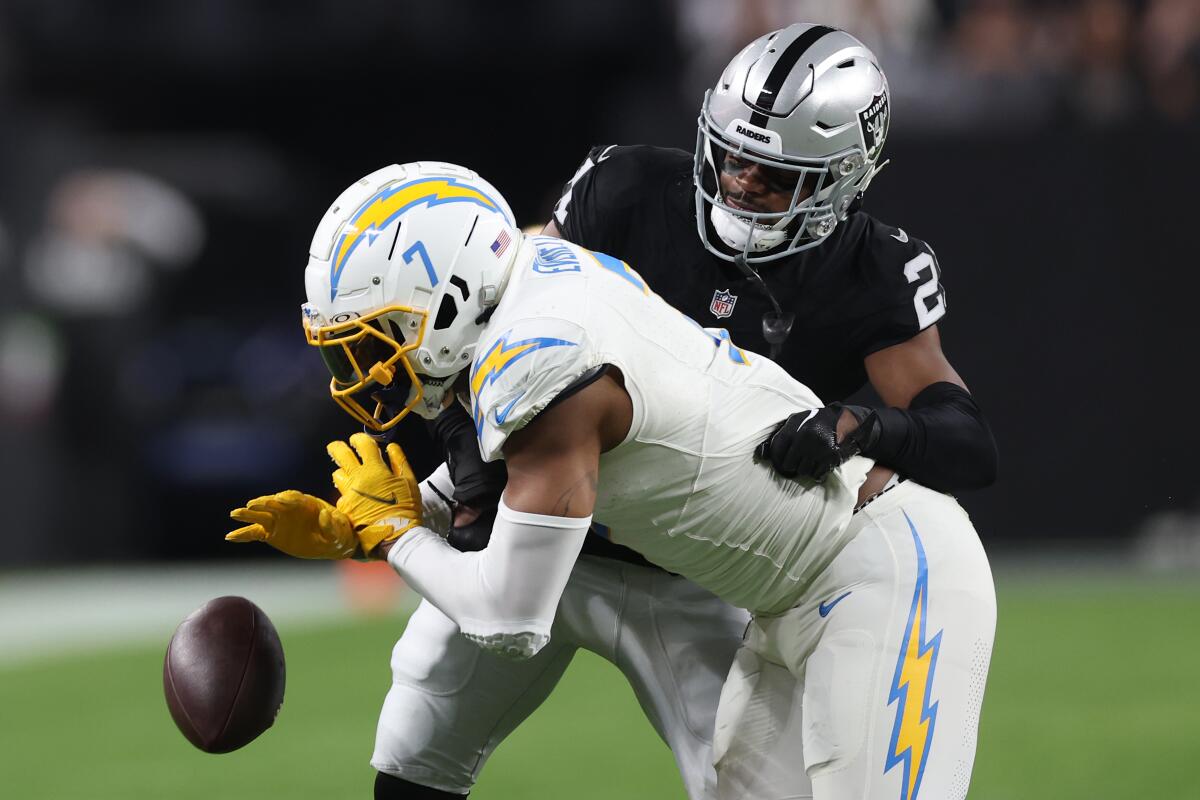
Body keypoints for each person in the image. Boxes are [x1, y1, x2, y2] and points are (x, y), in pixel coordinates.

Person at [235, 23, 998, 799]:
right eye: (732, 155)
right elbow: (509, 412)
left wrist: (864, 427)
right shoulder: (580, 246)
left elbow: (514, 575)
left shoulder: (548, 358)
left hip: (730, 566)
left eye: (773, 175)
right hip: (606, 526)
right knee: (416, 740)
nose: (739, 182)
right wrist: (406, 516)